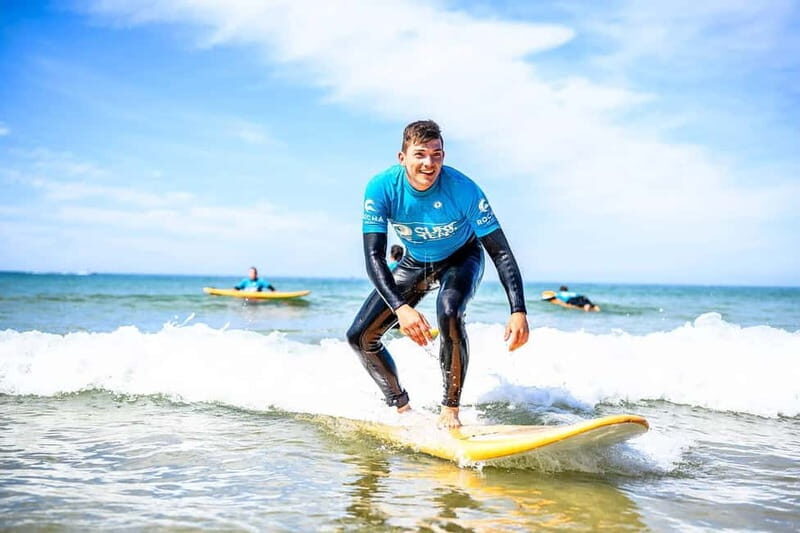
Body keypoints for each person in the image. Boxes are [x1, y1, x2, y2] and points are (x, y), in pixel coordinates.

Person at [346, 120, 529, 429]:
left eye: (437, 154)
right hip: (416, 261)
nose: (429, 163)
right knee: (360, 337)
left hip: (462, 256)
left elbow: (500, 252)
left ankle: (450, 411)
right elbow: (374, 256)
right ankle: (402, 409)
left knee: (450, 312)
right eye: (420, 154)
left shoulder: (464, 190)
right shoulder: (381, 188)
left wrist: (518, 310)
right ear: (402, 158)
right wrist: (401, 309)